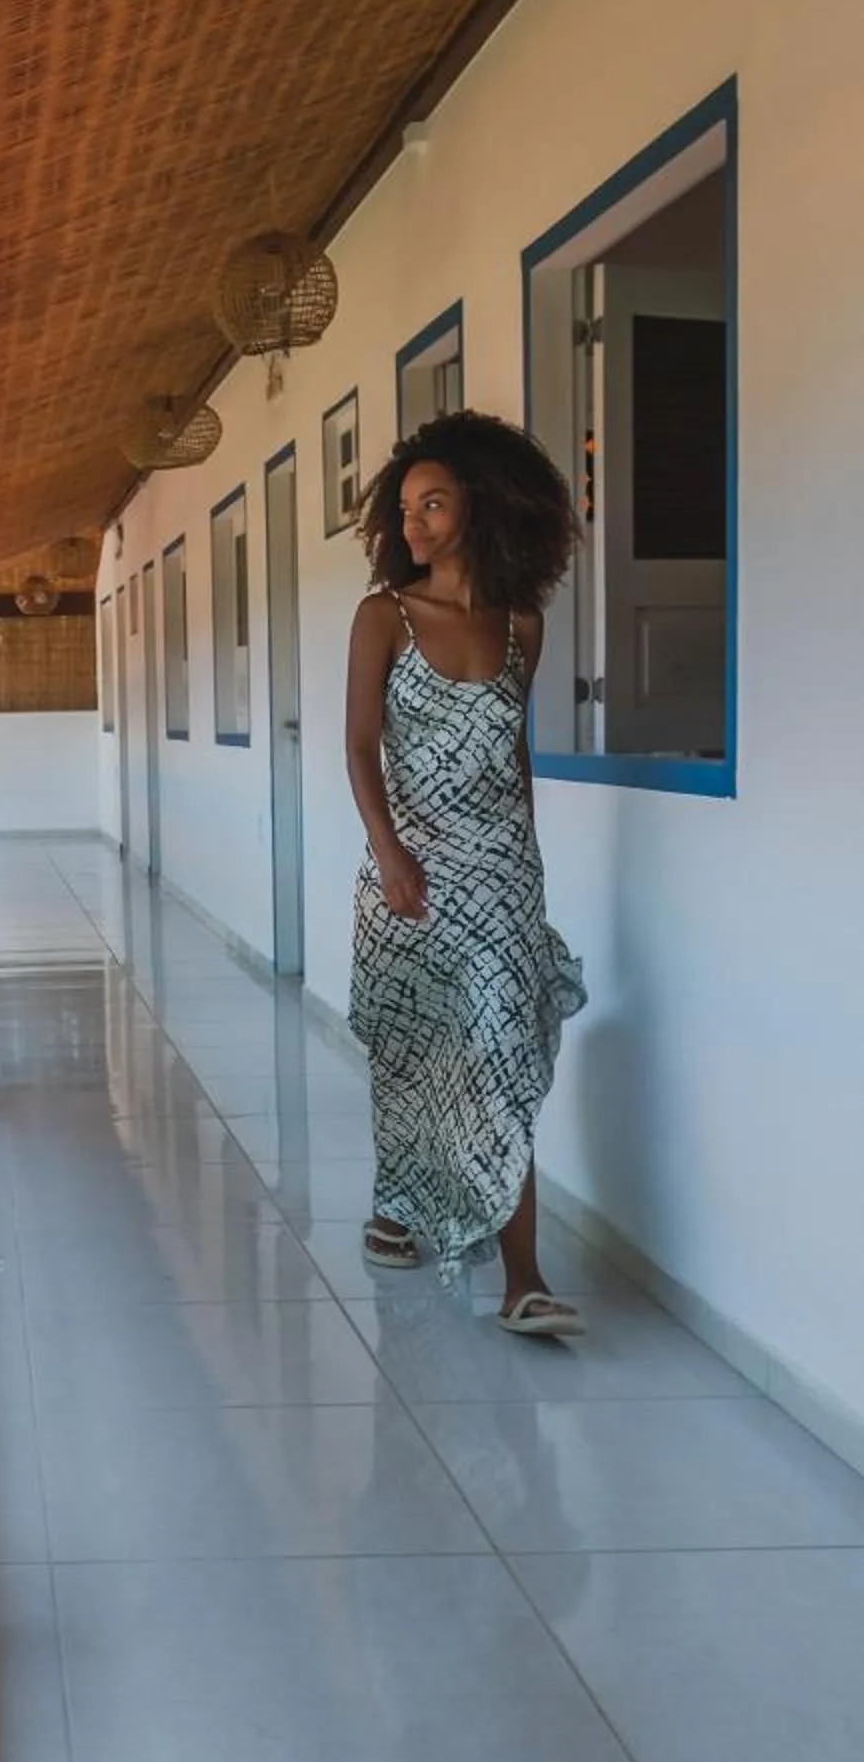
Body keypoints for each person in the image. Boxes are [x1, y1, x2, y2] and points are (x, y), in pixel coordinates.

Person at [345, 410, 587, 1334]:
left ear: (483, 507)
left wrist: (525, 864)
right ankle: (396, 1206)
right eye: (406, 507)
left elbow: (514, 757)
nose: (414, 524)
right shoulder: (386, 616)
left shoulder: (522, 624)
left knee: (497, 1056)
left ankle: (521, 1277)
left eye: (434, 504)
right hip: (408, 875)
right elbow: (361, 749)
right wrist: (390, 855)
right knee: (414, 1054)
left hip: (498, 878)